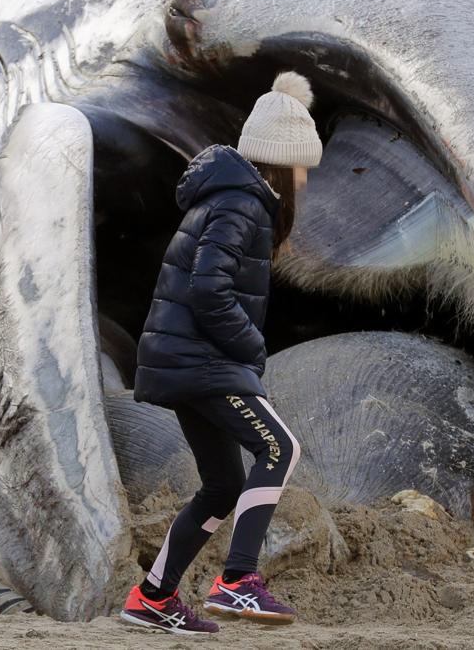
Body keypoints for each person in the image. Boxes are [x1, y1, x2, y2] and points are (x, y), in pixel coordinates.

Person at [119, 71, 323, 635]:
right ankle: (238, 581)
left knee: (222, 485)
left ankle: (153, 597)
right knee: (280, 447)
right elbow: (209, 288)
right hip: (201, 361)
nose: (305, 179)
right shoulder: (244, 204)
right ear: (283, 160)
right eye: (303, 165)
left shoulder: (228, 196)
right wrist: (251, 347)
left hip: (183, 359)